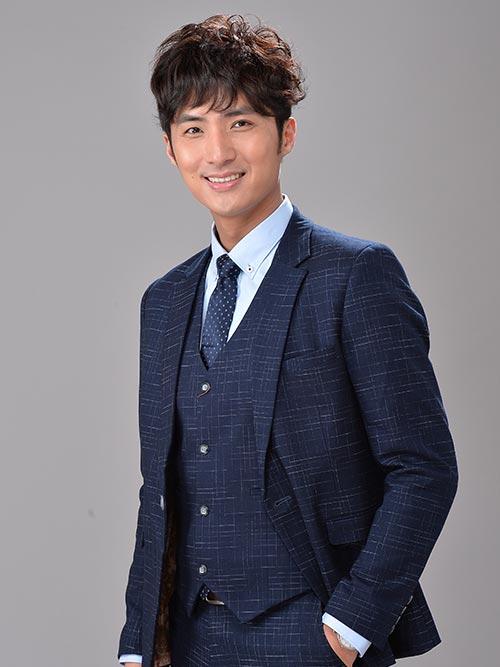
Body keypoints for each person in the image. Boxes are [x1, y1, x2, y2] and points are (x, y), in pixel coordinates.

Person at [117, 14, 458, 667]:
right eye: (194, 128)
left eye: (240, 122)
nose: (217, 152)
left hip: (313, 634)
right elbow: (156, 487)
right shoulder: (164, 301)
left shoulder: (355, 275)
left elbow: (424, 466)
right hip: (188, 641)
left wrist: (351, 627)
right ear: (171, 148)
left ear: (286, 133)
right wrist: (140, 642)